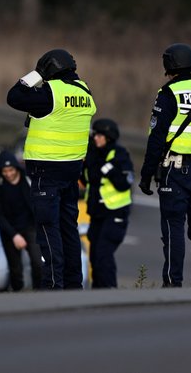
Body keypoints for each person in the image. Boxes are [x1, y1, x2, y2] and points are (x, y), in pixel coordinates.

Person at [7, 48, 96, 290]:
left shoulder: (50, 93)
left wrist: (35, 75)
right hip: (71, 171)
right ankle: (73, 283)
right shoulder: (85, 92)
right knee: (69, 229)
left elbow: (14, 97)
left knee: (47, 229)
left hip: (47, 172)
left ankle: (54, 285)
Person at [138, 43, 191, 287]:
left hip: (175, 171)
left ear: (168, 65)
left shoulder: (168, 93)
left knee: (174, 227)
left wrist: (146, 174)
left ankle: (173, 283)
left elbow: (156, 139)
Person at [81, 118, 133, 288]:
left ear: (109, 137)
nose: (96, 138)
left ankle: (110, 291)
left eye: (100, 135)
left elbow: (125, 182)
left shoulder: (119, 155)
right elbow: (84, 179)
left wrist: (110, 170)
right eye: (94, 135)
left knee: (104, 254)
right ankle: (98, 294)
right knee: (95, 256)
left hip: (115, 213)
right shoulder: (91, 155)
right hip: (96, 213)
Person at [0, 150, 43, 291]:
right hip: (9, 230)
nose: (8, 174)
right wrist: (14, 235)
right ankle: (18, 294)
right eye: (5, 171)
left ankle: (39, 292)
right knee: (15, 269)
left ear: (16, 168)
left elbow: (38, 203)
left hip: (30, 226)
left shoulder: (28, 180)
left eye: (11, 170)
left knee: (38, 261)